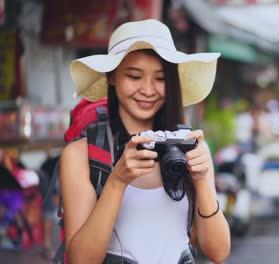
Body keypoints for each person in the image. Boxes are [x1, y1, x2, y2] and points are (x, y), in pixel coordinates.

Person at [60, 19, 230, 263]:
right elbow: (81, 260)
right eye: (134, 76)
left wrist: (201, 180)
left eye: (160, 79)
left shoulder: (190, 147)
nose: (148, 90)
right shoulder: (80, 155)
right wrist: (117, 180)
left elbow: (218, 251)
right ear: (111, 77)